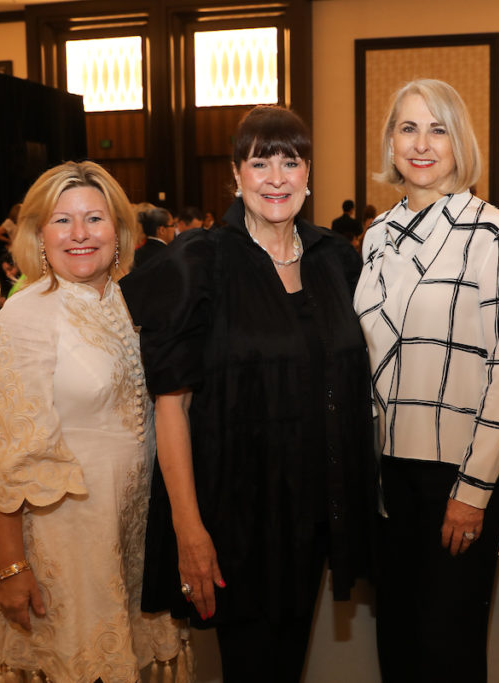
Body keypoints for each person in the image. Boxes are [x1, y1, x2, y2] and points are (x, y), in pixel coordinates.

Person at [120, 106, 375, 682]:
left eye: (291, 161)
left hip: (313, 515)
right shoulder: (201, 261)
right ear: (236, 175)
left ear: (309, 173)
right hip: (234, 520)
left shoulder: (334, 259)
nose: (276, 178)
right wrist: (189, 530)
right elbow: (172, 406)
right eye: (260, 163)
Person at [0, 161, 190, 682]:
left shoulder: (128, 301)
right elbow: (2, 458)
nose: (80, 234)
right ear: (39, 235)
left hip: (133, 526)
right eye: (62, 221)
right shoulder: (27, 317)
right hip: (65, 540)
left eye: (94, 218)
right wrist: (12, 568)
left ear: (119, 230)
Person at [353, 78, 499, 682]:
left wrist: (474, 490)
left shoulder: (496, 232)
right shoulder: (376, 236)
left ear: (460, 143)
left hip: (459, 471)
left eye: (438, 129)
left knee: (447, 650)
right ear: (390, 142)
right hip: (387, 472)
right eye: (408, 128)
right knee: (398, 644)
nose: (422, 144)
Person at [133, 206, 175, 270]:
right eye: (172, 225)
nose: (174, 229)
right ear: (162, 230)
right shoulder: (169, 255)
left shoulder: (136, 254)